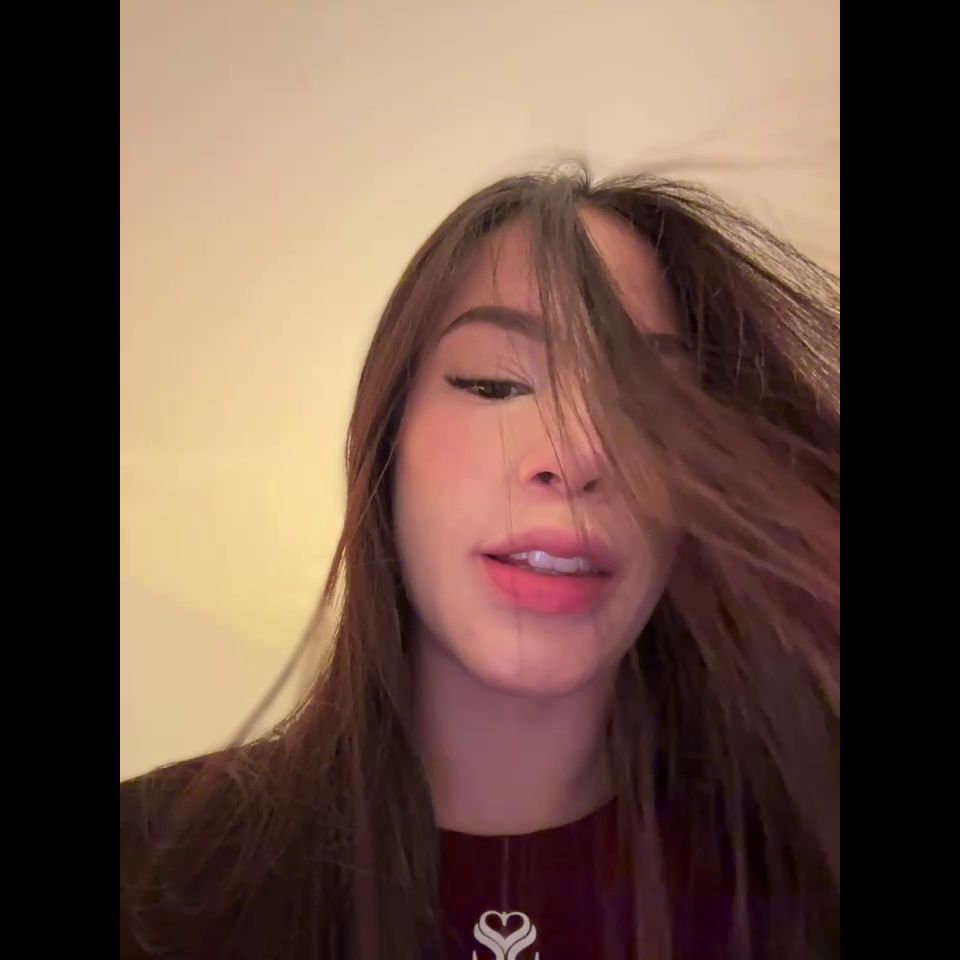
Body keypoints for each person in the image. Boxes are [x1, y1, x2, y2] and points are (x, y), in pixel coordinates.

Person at [120, 163, 840, 960]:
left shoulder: (802, 886)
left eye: (650, 402)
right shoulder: (151, 873)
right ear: (385, 445)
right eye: (495, 384)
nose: (577, 454)